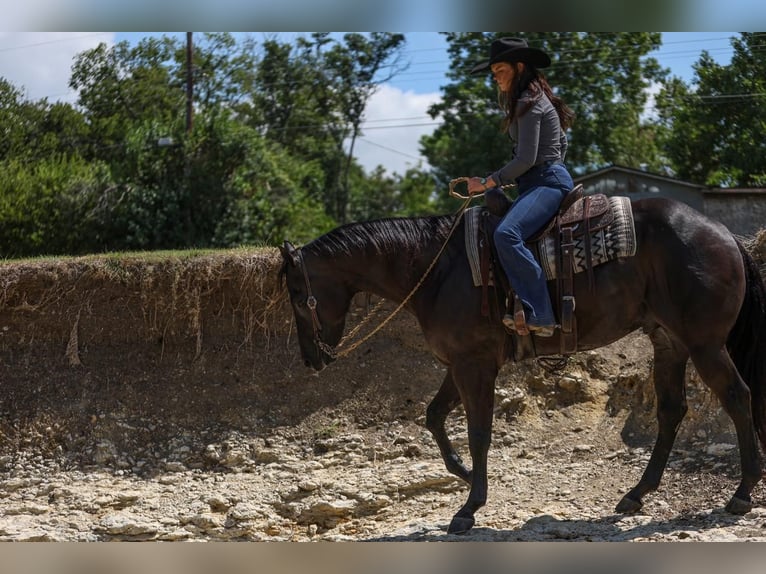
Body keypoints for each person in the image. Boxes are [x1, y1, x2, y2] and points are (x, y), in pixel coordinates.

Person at [466, 37, 575, 337]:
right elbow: (559, 144)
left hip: (547, 183)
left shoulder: (529, 102)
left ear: (520, 66)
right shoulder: (533, 100)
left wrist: (488, 182)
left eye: (500, 69)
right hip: (541, 181)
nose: (495, 76)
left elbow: (526, 158)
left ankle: (540, 312)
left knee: (506, 234)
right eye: (493, 71)